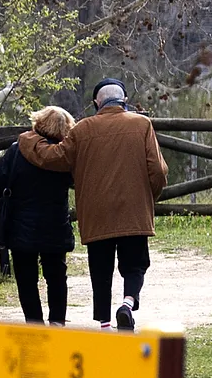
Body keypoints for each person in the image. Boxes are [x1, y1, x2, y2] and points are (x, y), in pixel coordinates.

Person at [17, 79, 167, 331]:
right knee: (135, 264)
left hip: (96, 213)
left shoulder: (83, 129)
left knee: (101, 269)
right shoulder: (142, 124)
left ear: (96, 102)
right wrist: (148, 196)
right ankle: (128, 304)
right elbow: (158, 170)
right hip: (133, 211)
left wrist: (29, 139)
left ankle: (105, 323)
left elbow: (53, 157)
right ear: (125, 100)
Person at [0, 106, 77, 326]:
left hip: (20, 225)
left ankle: (34, 325)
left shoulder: (18, 149)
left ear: (39, 122)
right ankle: (57, 322)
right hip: (55, 225)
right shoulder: (63, 157)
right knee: (56, 276)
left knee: (26, 280)